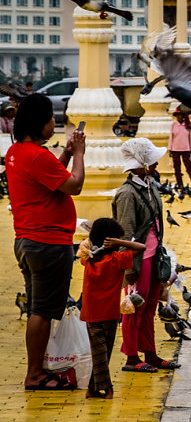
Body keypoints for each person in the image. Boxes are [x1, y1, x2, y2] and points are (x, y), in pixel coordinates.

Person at [9, 94, 85, 391]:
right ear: (39, 122)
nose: (55, 123)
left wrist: (65, 154)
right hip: (48, 242)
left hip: (28, 240)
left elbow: (50, 180)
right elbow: (74, 185)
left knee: (36, 309)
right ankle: (35, 374)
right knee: (42, 311)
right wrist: (79, 153)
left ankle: (36, 369)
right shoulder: (37, 156)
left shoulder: (18, 152)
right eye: (52, 118)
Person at [112, 137, 178, 373]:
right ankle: (131, 357)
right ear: (141, 165)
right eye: (152, 161)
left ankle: (149, 353)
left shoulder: (149, 186)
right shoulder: (127, 194)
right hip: (139, 260)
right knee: (133, 308)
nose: (156, 164)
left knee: (149, 308)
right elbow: (126, 234)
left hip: (154, 255)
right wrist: (128, 269)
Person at [78, 217, 145, 399]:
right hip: (109, 313)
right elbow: (142, 247)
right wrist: (120, 242)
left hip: (91, 313)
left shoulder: (88, 260)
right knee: (103, 351)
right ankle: (107, 388)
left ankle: (92, 389)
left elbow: (83, 247)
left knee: (99, 352)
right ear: (112, 240)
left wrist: (93, 242)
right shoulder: (118, 259)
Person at [169, 107, 191, 191]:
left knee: (189, 168)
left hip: (186, 149)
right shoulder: (173, 125)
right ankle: (180, 184)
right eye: (177, 115)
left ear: (183, 116)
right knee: (177, 168)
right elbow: (171, 137)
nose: (178, 117)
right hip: (175, 149)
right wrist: (170, 149)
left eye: (180, 115)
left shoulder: (187, 125)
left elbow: (190, 138)